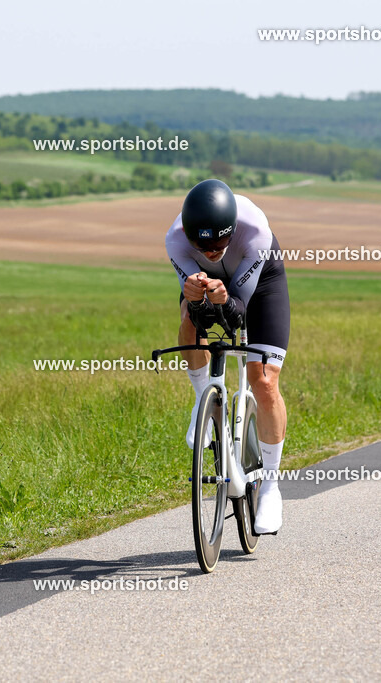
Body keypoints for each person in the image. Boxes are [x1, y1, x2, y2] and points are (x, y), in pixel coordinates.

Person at [165, 179, 290, 534]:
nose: (211, 252)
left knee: (263, 381)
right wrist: (196, 296)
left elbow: (237, 314)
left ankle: (271, 486)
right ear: (189, 238)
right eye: (202, 247)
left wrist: (224, 299)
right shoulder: (175, 240)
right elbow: (203, 316)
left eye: (220, 244)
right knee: (189, 318)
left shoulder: (255, 232)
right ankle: (201, 401)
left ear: (232, 232)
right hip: (210, 286)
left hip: (260, 283)